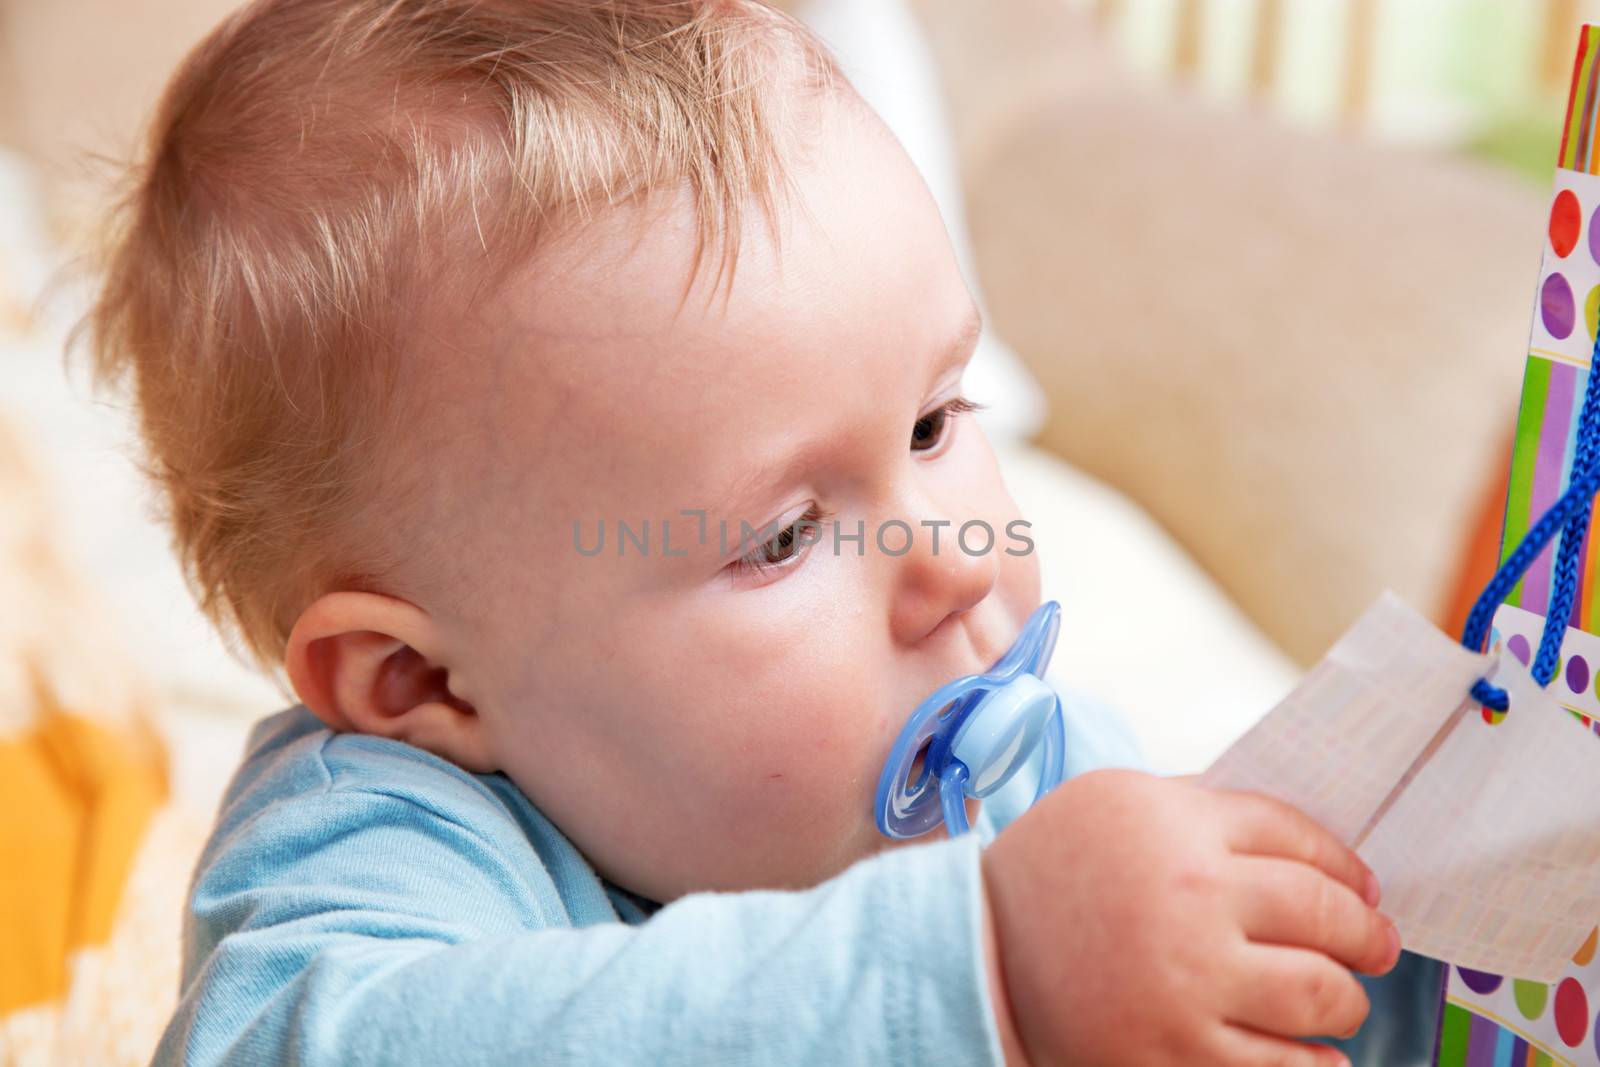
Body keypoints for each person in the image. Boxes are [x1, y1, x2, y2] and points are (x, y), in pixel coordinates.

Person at [86, 1, 1402, 1062]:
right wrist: (992, 969)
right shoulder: (387, 852)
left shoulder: (1028, 786)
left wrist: (1387, 944)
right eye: (780, 541)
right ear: (421, 681)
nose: (950, 566)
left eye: (936, 422)